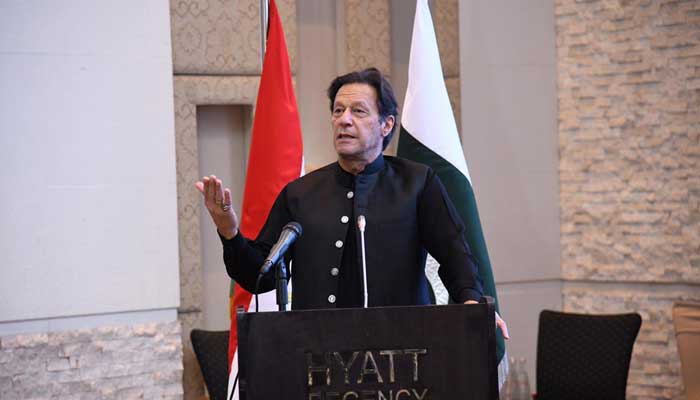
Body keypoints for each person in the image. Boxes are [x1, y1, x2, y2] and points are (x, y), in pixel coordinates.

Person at [196, 68, 508, 336]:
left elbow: (456, 256)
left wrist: (472, 304)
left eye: (358, 111)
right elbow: (259, 277)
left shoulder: (417, 183)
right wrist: (230, 234)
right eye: (338, 111)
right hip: (318, 351)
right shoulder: (300, 194)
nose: (344, 120)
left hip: (405, 347)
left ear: (386, 125)